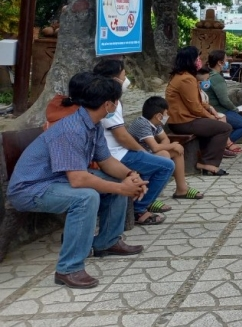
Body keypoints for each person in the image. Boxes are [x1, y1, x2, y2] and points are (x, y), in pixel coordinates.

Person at [7, 73, 148, 289]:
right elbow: (78, 179)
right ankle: (69, 268)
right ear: (108, 104)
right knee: (85, 197)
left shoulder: (93, 125)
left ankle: (107, 242)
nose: (118, 104)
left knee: (115, 180)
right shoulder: (70, 130)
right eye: (117, 101)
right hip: (32, 188)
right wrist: (122, 188)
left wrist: (130, 176)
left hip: (58, 181)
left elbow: (107, 161)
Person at [93, 59, 174, 225]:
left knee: (156, 162)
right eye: (124, 74)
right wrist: (141, 151)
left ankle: (141, 201)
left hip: (114, 152)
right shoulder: (109, 101)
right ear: (115, 78)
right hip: (114, 155)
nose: (126, 78)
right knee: (166, 165)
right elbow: (121, 136)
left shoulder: (104, 97)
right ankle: (140, 209)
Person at [165, 46, 232, 176]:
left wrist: (210, 110)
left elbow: (198, 102)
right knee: (224, 128)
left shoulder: (184, 76)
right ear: (191, 60)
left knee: (216, 125)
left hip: (186, 119)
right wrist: (211, 117)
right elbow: (195, 107)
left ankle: (205, 159)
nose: (199, 61)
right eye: (197, 58)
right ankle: (209, 163)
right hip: (183, 121)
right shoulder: (186, 79)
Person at [127, 97, 204, 200]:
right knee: (165, 154)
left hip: (146, 153)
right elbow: (155, 147)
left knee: (175, 152)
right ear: (159, 116)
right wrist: (172, 145)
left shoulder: (155, 123)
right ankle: (150, 198)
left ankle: (182, 189)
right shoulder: (142, 124)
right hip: (135, 157)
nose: (167, 116)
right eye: (166, 113)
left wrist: (168, 147)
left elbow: (165, 139)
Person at [205, 50, 242, 142]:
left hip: (212, 109)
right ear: (219, 62)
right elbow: (224, 100)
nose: (227, 63)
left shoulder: (208, 74)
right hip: (219, 110)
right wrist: (235, 109)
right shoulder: (216, 77)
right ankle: (223, 144)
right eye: (226, 60)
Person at [197, 67, 242, 156]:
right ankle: (225, 145)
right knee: (223, 124)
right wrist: (211, 116)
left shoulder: (200, 89)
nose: (208, 81)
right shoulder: (194, 90)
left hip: (207, 112)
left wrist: (213, 111)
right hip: (200, 116)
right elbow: (198, 106)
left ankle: (224, 145)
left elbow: (205, 104)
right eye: (206, 79)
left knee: (221, 117)